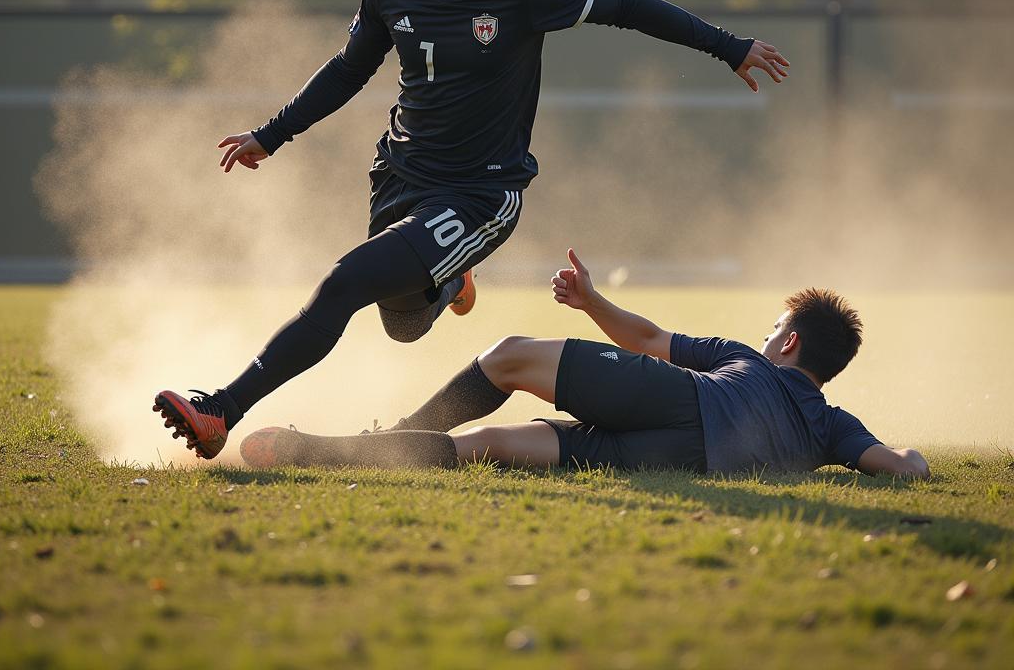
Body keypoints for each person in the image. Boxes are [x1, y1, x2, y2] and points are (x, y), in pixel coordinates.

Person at [153, 0, 791, 460]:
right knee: (400, 323)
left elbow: (627, 6)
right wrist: (272, 133)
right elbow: (349, 68)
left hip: (479, 197)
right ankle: (448, 281)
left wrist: (726, 46)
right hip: (399, 178)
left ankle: (222, 410)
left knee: (344, 281)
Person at [240, 250, 930, 480]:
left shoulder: (749, 362)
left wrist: (592, 301)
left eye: (774, 326)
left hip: (682, 405)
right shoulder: (831, 426)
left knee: (507, 356)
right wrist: (915, 458)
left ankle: (386, 431)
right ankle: (314, 451)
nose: (768, 333)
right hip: (677, 465)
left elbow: (650, 340)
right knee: (486, 447)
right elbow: (898, 465)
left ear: (788, 344)